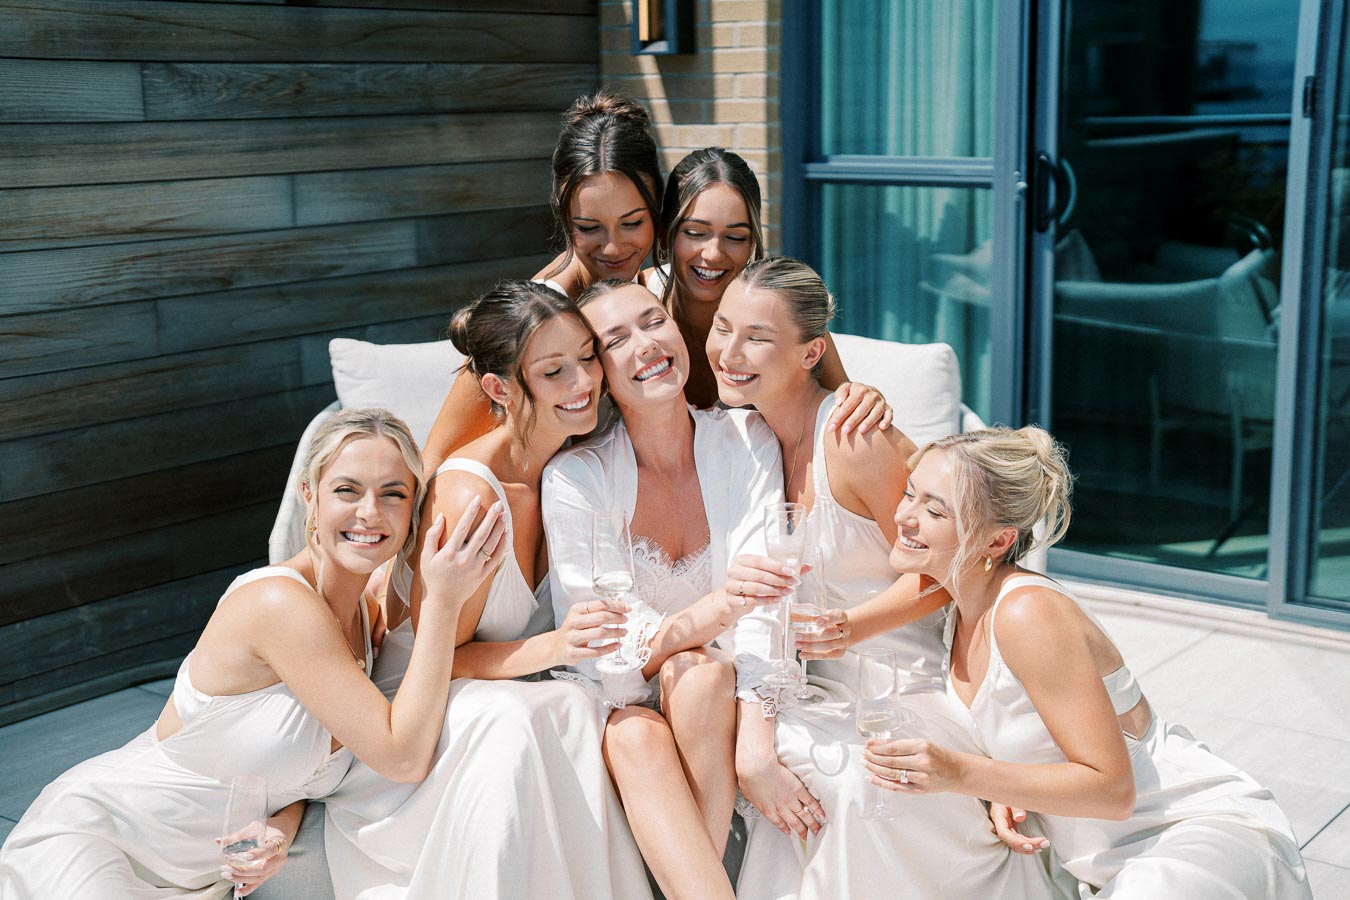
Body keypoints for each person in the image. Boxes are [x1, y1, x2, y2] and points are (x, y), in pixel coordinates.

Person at [0, 409, 507, 899]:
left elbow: (295, 781)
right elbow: (403, 757)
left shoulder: (364, 619)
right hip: (101, 842)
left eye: (393, 494)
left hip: (199, 879)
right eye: (346, 490)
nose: (370, 512)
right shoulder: (279, 604)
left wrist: (279, 833)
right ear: (309, 495)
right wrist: (442, 601)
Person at [711, 257, 1063, 899]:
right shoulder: (747, 438)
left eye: (756, 337)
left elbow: (953, 566)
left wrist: (853, 626)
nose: (729, 351)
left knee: (854, 788)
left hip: (901, 678)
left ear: (811, 351)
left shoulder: (854, 441)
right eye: (722, 327)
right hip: (815, 683)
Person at [865, 425, 1311, 899]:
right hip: (1116, 862)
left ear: (996, 543)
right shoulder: (962, 612)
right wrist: (1006, 790)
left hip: (1189, 835)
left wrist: (960, 773)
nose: (904, 517)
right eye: (911, 495)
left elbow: (1113, 790)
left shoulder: (1027, 613)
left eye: (935, 510)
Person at [322, 281, 653, 900]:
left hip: (524, 687)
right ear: (499, 389)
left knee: (573, 708)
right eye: (554, 371)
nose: (584, 381)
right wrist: (554, 648)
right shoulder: (471, 496)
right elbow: (436, 657)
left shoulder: (578, 463)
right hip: (422, 702)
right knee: (535, 713)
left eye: (587, 357)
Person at [542, 280, 793, 899]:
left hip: (720, 682)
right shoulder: (576, 477)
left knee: (701, 675)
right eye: (615, 340)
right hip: (617, 696)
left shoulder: (747, 441)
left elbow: (767, 608)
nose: (645, 346)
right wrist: (718, 608)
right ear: (595, 372)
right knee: (635, 731)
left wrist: (710, 639)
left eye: (654, 322)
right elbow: (611, 657)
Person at [422, 90, 663, 468]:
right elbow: (437, 456)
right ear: (564, 216)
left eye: (632, 223)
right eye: (589, 227)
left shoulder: (648, 295)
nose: (613, 248)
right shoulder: (534, 315)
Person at [648, 147, 872, 426]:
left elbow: (845, 401)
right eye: (695, 233)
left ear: (753, 242)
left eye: (735, 236)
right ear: (665, 234)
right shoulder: (637, 305)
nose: (714, 254)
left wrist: (863, 397)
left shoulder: (780, 312)